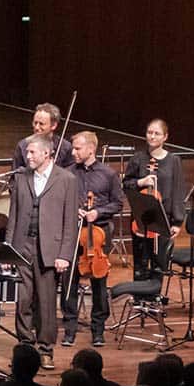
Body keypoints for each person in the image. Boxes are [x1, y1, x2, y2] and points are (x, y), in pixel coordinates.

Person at [11, 134, 79, 368]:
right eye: (27, 152)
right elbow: (14, 215)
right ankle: (25, 347)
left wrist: (64, 254)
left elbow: (70, 221)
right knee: (23, 299)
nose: (27, 156)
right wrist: (10, 248)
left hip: (49, 247)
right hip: (23, 246)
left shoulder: (67, 179)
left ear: (46, 154)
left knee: (46, 301)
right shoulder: (21, 178)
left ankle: (45, 348)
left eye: (31, 153)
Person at [60, 131, 125, 348]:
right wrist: (73, 210)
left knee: (99, 281)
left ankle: (98, 329)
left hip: (99, 232)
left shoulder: (108, 174)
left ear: (91, 149)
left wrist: (97, 213)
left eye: (78, 148)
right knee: (69, 282)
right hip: (73, 234)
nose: (73, 152)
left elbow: (117, 204)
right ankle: (69, 328)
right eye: (73, 148)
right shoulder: (67, 173)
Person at [124, 118, 185, 282]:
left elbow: (178, 191)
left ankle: (155, 300)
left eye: (156, 133)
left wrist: (177, 222)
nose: (152, 136)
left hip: (163, 219)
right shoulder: (138, 158)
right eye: (149, 132)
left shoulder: (173, 161)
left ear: (165, 137)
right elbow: (126, 185)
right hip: (141, 220)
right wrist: (140, 182)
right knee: (140, 264)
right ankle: (139, 301)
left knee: (159, 264)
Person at [8, 102, 73, 181]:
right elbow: (14, 178)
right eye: (35, 123)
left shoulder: (65, 147)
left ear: (54, 125)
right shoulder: (23, 145)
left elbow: (70, 177)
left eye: (41, 124)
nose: (36, 127)